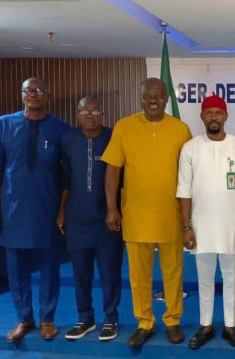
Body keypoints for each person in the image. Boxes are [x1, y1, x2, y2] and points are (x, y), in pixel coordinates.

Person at [101, 78, 192, 348]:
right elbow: (113, 169)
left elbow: (189, 175)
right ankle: (144, 321)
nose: (153, 100)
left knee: (173, 271)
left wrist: (188, 218)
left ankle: (173, 320)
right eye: (148, 96)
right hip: (136, 215)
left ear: (166, 99)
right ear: (141, 98)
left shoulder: (180, 129)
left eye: (159, 95)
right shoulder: (124, 126)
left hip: (171, 215)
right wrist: (111, 208)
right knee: (139, 274)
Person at [0, 77, 70, 343]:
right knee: (17, 270)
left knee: (49, 268)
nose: (33, 94)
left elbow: (67, 176)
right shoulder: (4, 124)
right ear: (22, 94)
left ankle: (47, 319)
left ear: (47, 95)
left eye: (38, 90)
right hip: (12, 211)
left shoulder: (60, 129)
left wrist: (62, 211)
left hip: (47, 209)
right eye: (28, 90)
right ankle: (24, 318)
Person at [177, 94, 235, 350]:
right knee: (204, 279)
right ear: (202, 116)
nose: (214, 117)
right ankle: (205, 325)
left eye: (218, 113)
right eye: (209, 112)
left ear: (226, 116)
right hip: (200, 227)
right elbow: (184, 191)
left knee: (231, 277)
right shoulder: (190, 148)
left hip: (232, 227)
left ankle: (230, 326)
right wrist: (186, 227)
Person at [58, 96, 123, 342]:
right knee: (80, 274)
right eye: (85, 111)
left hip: (107, 220)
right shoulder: (67, 139)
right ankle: (85, 318)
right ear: (77, 113)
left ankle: (111, 318)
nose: (90, 115)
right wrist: (62, 211)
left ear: (102, 114)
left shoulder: (113, 137)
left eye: (95, 111)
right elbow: (64, 180)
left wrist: (116, 211)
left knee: (110, 273)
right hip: (76, 220)